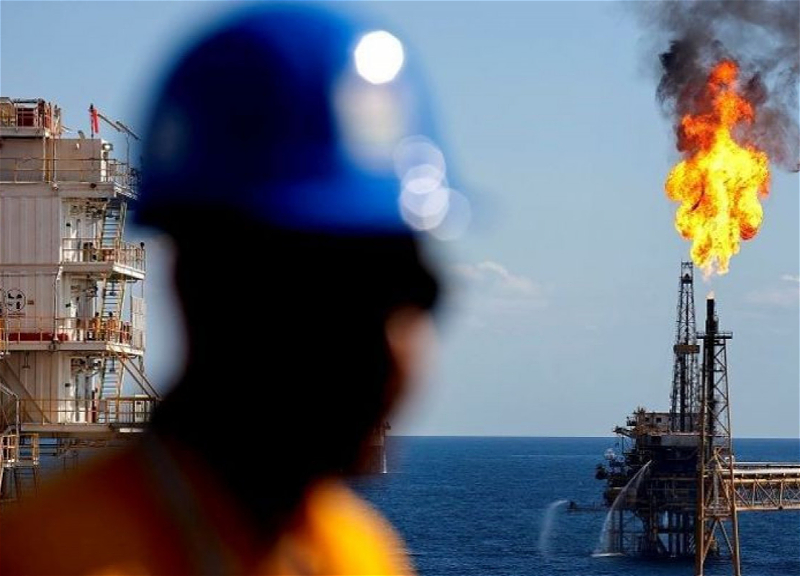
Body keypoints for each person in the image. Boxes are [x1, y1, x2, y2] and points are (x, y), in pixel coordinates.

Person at [1, 4, 456, 575]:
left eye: (418, 294)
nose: (396, 346)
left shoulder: (359, 554)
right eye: (343, 300)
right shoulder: (41, 559)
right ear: (201, 290)